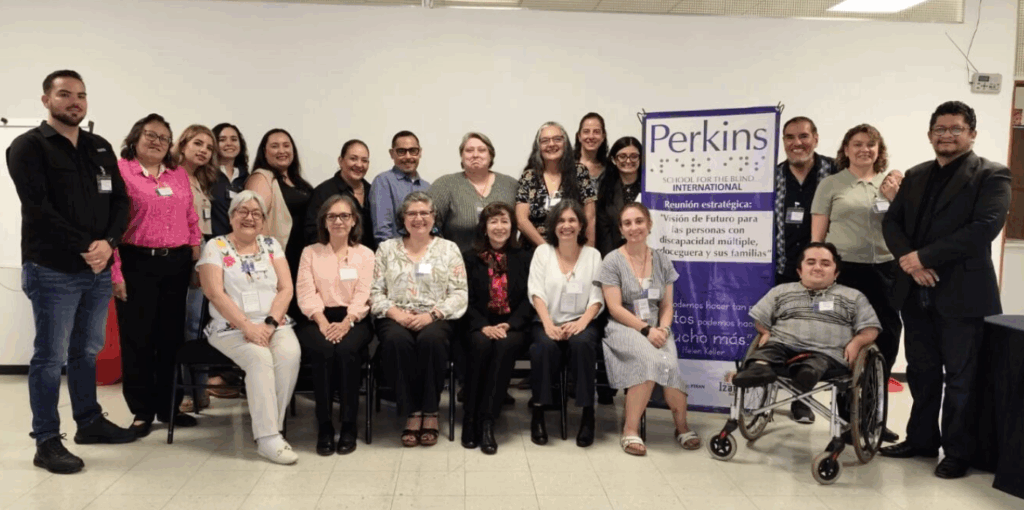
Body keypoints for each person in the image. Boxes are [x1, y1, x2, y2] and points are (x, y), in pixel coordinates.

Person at [6, 69, 135, 474]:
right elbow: (39, 210)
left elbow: (122, 203)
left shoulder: (98, 147)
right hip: (52, 270)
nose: (74, 101)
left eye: (80, 95)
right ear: (46, 100)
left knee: (87, 350)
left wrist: (108, 244)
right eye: (64, 94)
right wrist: (87, 246)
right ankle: (46, 441)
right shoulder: (27, 147)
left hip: (97, 269)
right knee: (49, 357)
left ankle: (89, 421)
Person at [880, 101, 1012, 479]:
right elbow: (893, 222)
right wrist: (908, 258)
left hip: (963, 293)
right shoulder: (918, 174)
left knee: (960, 380)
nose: (947, 135)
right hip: (915, 292)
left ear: (971, 133)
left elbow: (983, 228)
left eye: (956, 129)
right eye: (940, 129)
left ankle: (957, 451)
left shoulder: (992, 174)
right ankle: (921, 440)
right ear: (930, 134)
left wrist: (922, 257)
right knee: (922, 372)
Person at [111, 114, 202, 438]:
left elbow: (191, 216)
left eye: (164, 137)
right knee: (137, 340)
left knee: (170, 339)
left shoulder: (177, 175)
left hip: (175, 265)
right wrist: (116, 273)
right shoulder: (121, 171)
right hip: (136, 262)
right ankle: (141, 411)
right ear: (135, 137)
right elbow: (110, 225)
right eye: (150, 134)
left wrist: (194, 255)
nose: (156, 141)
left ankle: (169, 407)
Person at [810, 124, 903, 439]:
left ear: (879, 149)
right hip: (847, 272)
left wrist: (893, 198)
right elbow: (817, 236)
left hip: (886, 270)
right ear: (846, 149)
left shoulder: (891, 183)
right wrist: (819, 272)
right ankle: (847, 420)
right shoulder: (831, 184)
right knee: (846, 343)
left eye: (871, 144)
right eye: (858, 144)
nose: (865, 149)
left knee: (887, 340)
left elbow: (903, 228)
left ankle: (875, 417)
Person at [198, 190, 301, 465]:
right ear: (231, 216)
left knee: (289, 354)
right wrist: (246, 326)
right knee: (258, 357)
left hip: (272, 323)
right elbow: (214, 293)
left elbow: (286, 288)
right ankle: (268, 438)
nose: (249, 217)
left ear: (263, 221)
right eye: (242, 211)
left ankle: (271, 431)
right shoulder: (215, 247)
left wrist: (268, 324)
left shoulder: (271, 245)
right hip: (229, 326)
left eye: (256, 213)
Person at [732, 243, 881, 427]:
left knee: (819, 361)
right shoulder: (781, 291)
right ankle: (758, 369)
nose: (817, 267)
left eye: (825, 263)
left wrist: (857, 342)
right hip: (783, 345)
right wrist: (764, 331)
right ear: (799, 271)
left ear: (836, 273)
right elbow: (761, 318)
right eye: (811, 262)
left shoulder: (853, 297)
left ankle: (805, 375)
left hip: (828, 352)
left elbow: (871, 328)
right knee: (769, 350)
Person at [598, 203, 699, 455]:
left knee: (670, 364)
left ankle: (682, 426)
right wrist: (646, 330)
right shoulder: (612, 260)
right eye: (628, 223)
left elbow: (667, 305)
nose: (634, 228)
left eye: (639, 221)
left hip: (657, 328)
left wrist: (663, 328)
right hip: (624, 327)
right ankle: (630, 431)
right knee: (648, 361)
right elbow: (614, 308)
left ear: (649, 224)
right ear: (621, 229)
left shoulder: (662, 259)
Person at [370, 191, 468, 447]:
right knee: (396, 342)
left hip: (436, 315)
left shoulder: (449, 249)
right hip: (394, 314)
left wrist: (432, 315)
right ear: (403, 218)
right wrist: (397, 315)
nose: (418, 218)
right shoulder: (386, 249)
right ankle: (412, 411)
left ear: (434, 217)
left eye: (424, 213)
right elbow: (374, 291)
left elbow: (460, 293)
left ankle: (431, 411)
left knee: (432, 342)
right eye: (412, 213)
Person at [296, 195, 375, 456]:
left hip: (354, 319)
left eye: (344, 216)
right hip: (317, 317)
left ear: (354, 221)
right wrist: (322, 322)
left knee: (347, 352)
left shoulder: (365, 254)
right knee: (323, 351)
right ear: (324, 222)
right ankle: (325, 425)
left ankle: (349, 424)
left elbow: (364, 294)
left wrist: (347, 322)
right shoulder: (310, 252)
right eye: (332, 216)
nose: (338, 221)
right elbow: (306, 293)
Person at [772, 117, 839, 424]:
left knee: (815, 337)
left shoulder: (834, 172)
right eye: (789, 137)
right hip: (783, 269)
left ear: (816, 137)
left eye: (803, 136)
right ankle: (775, 396)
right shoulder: (773, 177)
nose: (796, 143)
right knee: (782, 335)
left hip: (823, 273)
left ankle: (803, 400)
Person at [527, 200, 604, 447]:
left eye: (572, 220)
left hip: (582, 321)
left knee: (583, 346)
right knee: (542, 347)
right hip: (546, 320)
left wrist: (582, 322)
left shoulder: (593, 255)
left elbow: (597, 296)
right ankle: (538, 411)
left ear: (581, 225)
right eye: (561, 220)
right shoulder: (542, 252)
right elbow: (536, 291)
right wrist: (548, 324)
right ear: (553, 225)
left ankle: (587, 414)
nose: (566, 225)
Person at [460, 203, 533, 455]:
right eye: (493, 222)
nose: (499, 227)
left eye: (504, 221)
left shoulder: (524, 258)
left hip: (512, 326)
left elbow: (529, 299)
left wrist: (509, 324)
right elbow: (462, 297)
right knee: (480, 345)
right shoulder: (469, 258)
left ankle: (488, 421)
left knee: (504, 347)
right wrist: (482, 326)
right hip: (477, 323)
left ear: (512, 226)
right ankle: (470, 418)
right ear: (484, 227)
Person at [173, 124, 219, 413]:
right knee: (186, 326)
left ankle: (199, 389)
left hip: (202, 253)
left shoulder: (200, 179)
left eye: (208, 147)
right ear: (183, 144)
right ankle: (187, 393)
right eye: (198, 144)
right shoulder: (174, 177)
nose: (204, 150)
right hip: (186, 255)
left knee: (197, 325)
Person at [245, 128, 313, 322]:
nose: (281, 150)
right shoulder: (262, 178)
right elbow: (253, 224)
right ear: (264, 152)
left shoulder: (298, 182)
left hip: (302, 259)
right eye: (274, 146)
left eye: (286, 145)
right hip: (279, 259)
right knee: (279, 314)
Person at [430, 132, 518, 252]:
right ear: (462, 156)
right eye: (469, 150)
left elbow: (522, 223)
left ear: (491, 155)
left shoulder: (510, 185)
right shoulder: (444, 185)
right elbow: (428, 226)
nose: (475, 155)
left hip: (504, 264)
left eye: (481, 150)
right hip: (458, 263)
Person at [516, 122, 597, 248]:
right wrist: (546, 250)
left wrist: (589, 252)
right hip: (535, 250)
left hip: (573, 250)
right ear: (538, 146)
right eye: (545, 141)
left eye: (557, 139)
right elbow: (521, 220)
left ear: (565, 144)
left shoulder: (580, 172)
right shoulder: (529, 177)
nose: (551, 144)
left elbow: (590, 217)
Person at [305, 139, 376, 250]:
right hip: (334, 258)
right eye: (353, 159)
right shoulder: (324, 192)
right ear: (340, 161)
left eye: (364, 160)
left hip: (369, 259)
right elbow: (313, 232)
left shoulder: (373, 191)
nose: (359, 164)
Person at [370, 131, 430, 245]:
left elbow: (431, 226)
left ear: (420, 152)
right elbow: (382, 231)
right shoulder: (383, 181)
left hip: (424, 255)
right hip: (395, 257)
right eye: (401, 151)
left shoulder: (427, 187)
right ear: (392, 153)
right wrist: (396, 258)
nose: (408, 157)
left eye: (413, 151)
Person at [595, 136, 643, 257]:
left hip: (647, 256)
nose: (628, 161)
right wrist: (613, 263)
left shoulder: (651, 187)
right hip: (616, 255)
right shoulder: (606, 188)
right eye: (622, 156)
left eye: (634, 156)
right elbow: (604, 232)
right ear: (613, 159)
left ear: (641, 158)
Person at [210, 122, 251, 237]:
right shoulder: (206, 174)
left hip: (241, 243)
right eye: (222, 140)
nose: (229, 144)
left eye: (234, 139)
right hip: (213, 244)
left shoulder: (246, 177)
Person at [574, 112, 612, 193]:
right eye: (586, 131)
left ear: (603, 137)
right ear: (579, 136)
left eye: (596, 132)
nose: (591, 136)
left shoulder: (610, 170)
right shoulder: (567, 166)